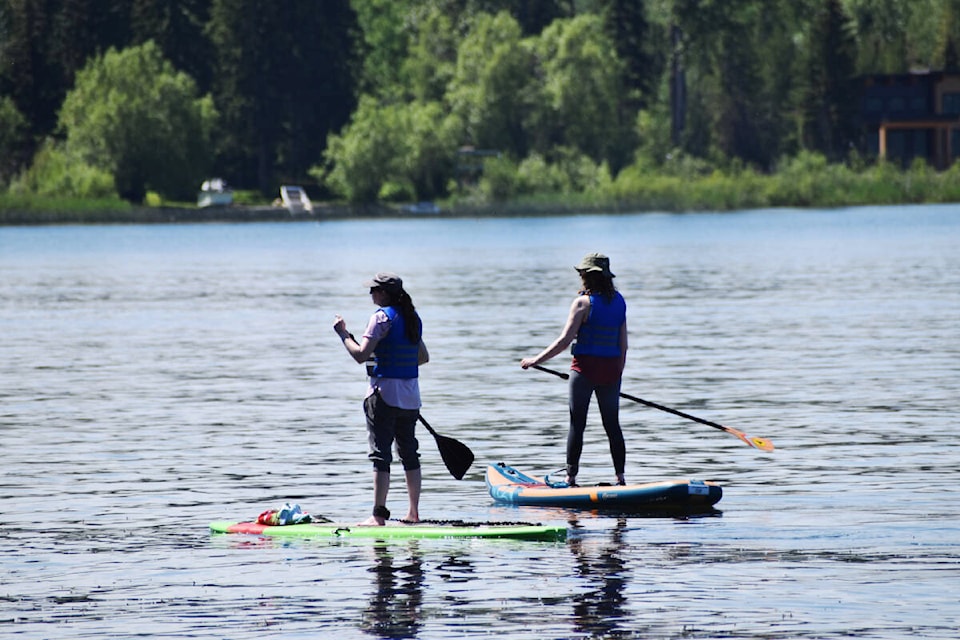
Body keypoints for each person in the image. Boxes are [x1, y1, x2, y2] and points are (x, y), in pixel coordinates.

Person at [520, 253, 628, 487]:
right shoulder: (619, 301)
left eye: (581, 273)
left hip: (585, 371)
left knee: (577, 424)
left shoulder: (582, 303)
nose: (579, 276)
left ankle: (571, 478)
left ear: (587, 276)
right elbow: (623, 345)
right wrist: (617, 373)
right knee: (612, 425)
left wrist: (535, 360)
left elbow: (564, 341)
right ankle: (620, 478)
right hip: (611, 371)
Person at [334, 272, 429, 525]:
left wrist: (343, 334)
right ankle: (414, 513)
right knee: (409, 454)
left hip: (383, 395)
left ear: (385, 293)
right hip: (410, 397)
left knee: (380, 455)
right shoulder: (413, 318)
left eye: (373, 290)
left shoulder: (380, 318)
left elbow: (360, 356)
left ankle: (378, 516)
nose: (371, 294)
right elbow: (422, 357)